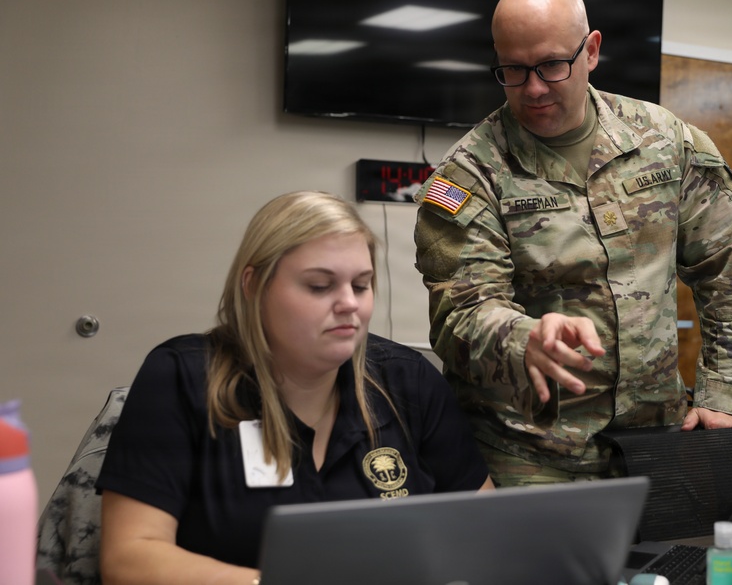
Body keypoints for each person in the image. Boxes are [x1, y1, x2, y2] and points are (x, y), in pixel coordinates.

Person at [413, 0, 732, 487]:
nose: (533, 87)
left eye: (552, 65)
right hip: (531, 453)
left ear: (592, 50)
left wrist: (730, 395)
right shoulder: (470, 174)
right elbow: (461, 314)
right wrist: (523, 339)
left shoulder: (665, 142)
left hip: (659, 439)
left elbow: (725, 275)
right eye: (513, 70)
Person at [97, 191, 493, 585]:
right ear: (253, 285)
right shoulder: (181, 379)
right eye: (320, 286)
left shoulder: (408, 381)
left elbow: (487, 533)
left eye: (360, 285)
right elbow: (130, 557)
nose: (348, 304)